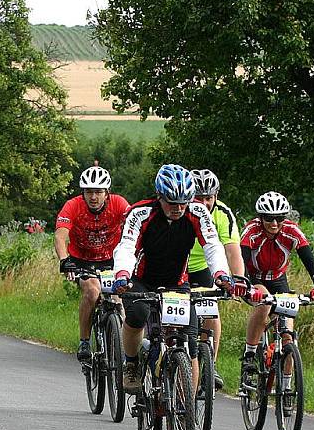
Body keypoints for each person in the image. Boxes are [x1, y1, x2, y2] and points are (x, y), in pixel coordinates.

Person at [112, 164, 240, 395]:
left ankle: (186, 406)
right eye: (172, 202)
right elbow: (126, 246)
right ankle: (131, 363)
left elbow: (212, 246)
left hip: (176, 282)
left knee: (190, 339)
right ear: (159, 197)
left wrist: (221, 275)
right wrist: (121, 275)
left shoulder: (197, 212)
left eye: (184, 202)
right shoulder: (141, 212)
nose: (178, 208)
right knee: (137, 314)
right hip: (142, 280)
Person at [240, 191, 314, 377]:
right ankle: (249, 353)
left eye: (279, 218)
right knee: (264, 304)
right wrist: (247, 286)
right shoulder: (251, 231)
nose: (274, 224)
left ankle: (287, 387)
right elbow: (242, 261)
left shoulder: (291, 230)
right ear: (260, 217)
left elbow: (309, 260)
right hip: (254, 277)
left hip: (279, 280)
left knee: (288, 335)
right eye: (269, 219)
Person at [54, 165, 129, 361]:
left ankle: (122, 346)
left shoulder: (120, 204)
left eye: (98, 192)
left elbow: (134, 229)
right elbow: (60, 236)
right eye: (89, 192)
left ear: (107, 193)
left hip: (111, 259)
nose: (93, 197)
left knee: (119, 299)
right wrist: (64, 260)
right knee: (92, 291)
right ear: (83, 192)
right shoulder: (73, 206)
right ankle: (85, 341)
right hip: (81, 261)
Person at [187, 169, 244, 389]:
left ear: (216, 197)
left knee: (211, 312)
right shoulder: (180, 209)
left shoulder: (223, 214)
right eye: (198, 198)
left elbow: (232, 251)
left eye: (208, 198)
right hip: (177, 268)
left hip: (203, 268)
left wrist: (238, 280)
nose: (203, 202)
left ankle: (211, 364)